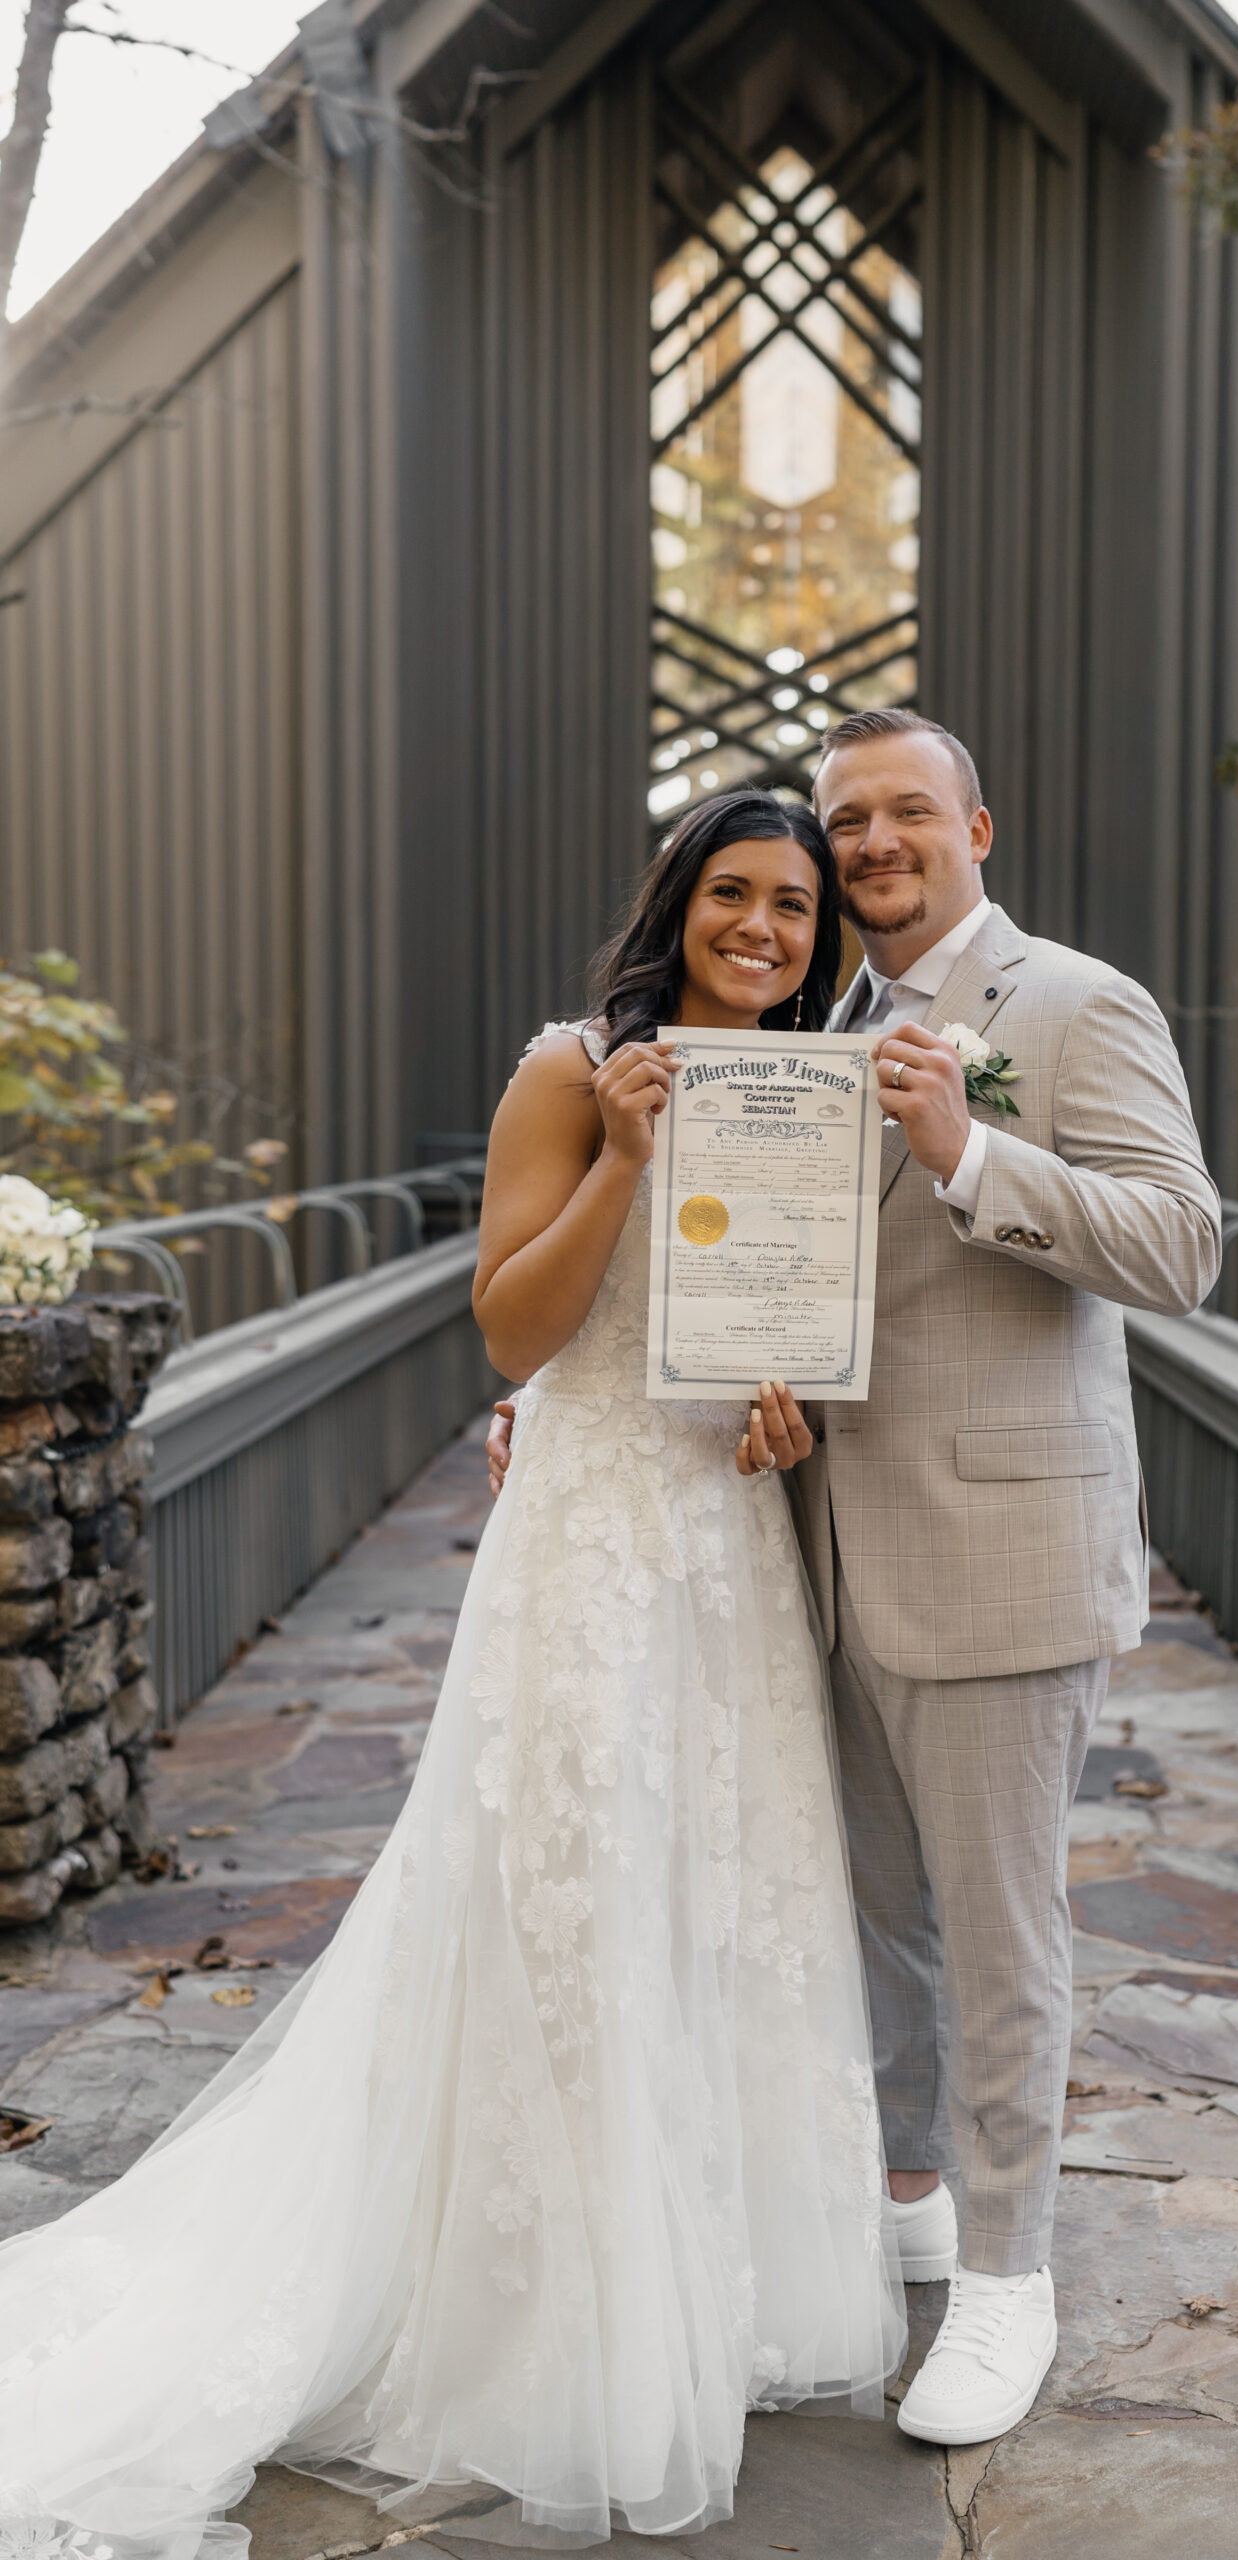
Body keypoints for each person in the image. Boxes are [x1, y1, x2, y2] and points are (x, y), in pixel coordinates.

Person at [0, 790, 904, 2558]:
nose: (764, 931)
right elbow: (511, 1328)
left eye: (796, 909)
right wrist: (631, 1157)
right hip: (587, 1539)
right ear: (680, 903)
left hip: (725, 1544)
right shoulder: (575, 1067)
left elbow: (785, 1316)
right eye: (733, 894)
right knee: (560, 1903)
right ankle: (544, 2307)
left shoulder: (816, 1094)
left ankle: (700, 2282)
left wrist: (791, 1400)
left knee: (718, 1900)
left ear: (825, 938)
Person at [494, 709, 1222, 2451]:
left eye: (907, 813)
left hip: (993, 1541)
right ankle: (910, 2197)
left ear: (980, 822)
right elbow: (752, 1270)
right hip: (792, 1536)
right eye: (849, 824)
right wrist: (586, 1403)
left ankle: (1008, 2280)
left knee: (999, 1930)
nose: (874, 843)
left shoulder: (1070, 1004)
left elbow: (1183, 1245)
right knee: (869, 1911)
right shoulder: (807, 1023)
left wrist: (974, 1150)